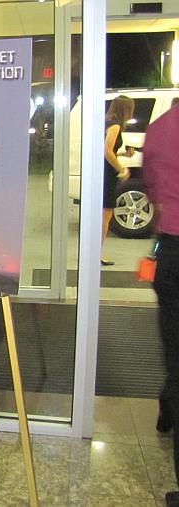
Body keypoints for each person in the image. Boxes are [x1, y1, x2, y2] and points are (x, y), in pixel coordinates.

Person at [143, 99, 179, 507]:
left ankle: (170, 401)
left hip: (172, 254)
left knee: (176, 349)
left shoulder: (161, 128)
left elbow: (153, 191)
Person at [101, 95, 135, 265]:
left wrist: (122, 154)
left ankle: (96, 251)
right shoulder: (114, 126)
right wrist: (121, 169)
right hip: (107, 173)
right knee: (106, 213)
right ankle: (97, 252)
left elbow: (110, 151)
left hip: (103, 170)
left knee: (104, 213)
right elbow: (107, 151)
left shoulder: (108, 122)